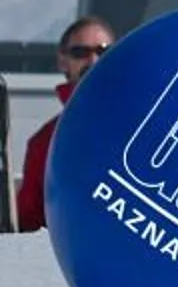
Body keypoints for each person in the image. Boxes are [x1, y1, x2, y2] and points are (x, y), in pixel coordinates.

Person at [13, 15, 111, 235]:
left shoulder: (145, 119)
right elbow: (28, 221)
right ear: (62, 60)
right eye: (80, 53)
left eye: (102, 51)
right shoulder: (45, 141)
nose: (93, 61)